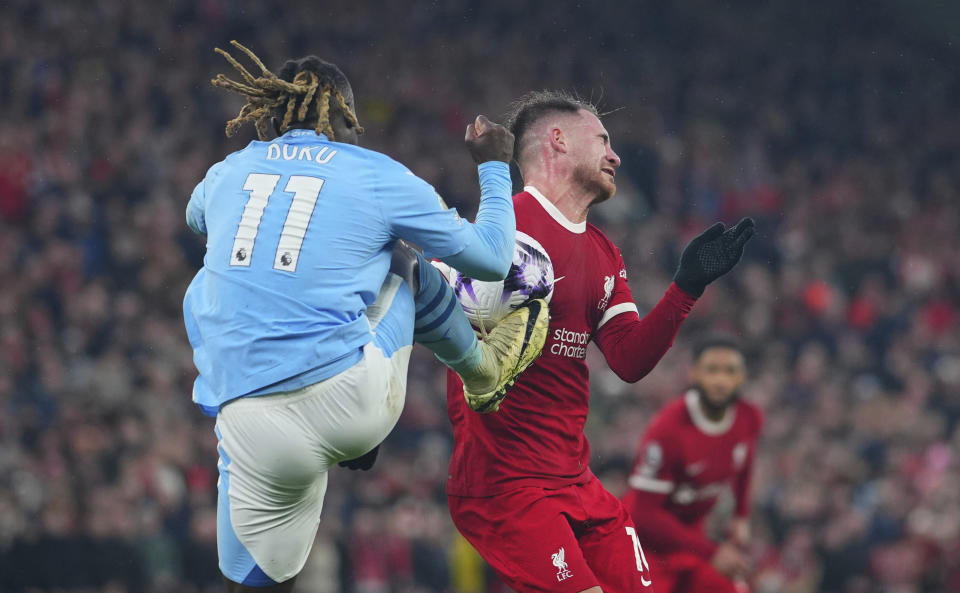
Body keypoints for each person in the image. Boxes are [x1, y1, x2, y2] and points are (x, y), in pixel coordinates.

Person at [182, 42, 549, 592]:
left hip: (246, 420)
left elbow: (196, 218)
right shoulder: (374, 172)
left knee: (252, 576)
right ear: (345, 117)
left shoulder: (228, 171)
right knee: (401, 262)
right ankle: (482, 369)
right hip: (347, 401)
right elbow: (494, 260)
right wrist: (495, 168)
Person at [444, 90, 756, 593]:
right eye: (603, 141)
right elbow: (445, 318)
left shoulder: (603, 251)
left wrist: (686, 287)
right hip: (506, 485)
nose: (615, 155)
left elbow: (629, 359)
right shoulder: (507, 225)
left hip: (575, 481)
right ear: (559, 141)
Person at [621, 335, 763, 593]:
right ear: (694, 374)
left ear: (742, 376)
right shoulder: (669, 429)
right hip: (647, 545)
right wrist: (712, 551)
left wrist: (741, 515)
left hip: (691, 538)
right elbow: (644, 516)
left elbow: (745, 462)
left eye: (729, 371)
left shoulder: (749, 417)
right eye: (712, 370)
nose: (720, 381)